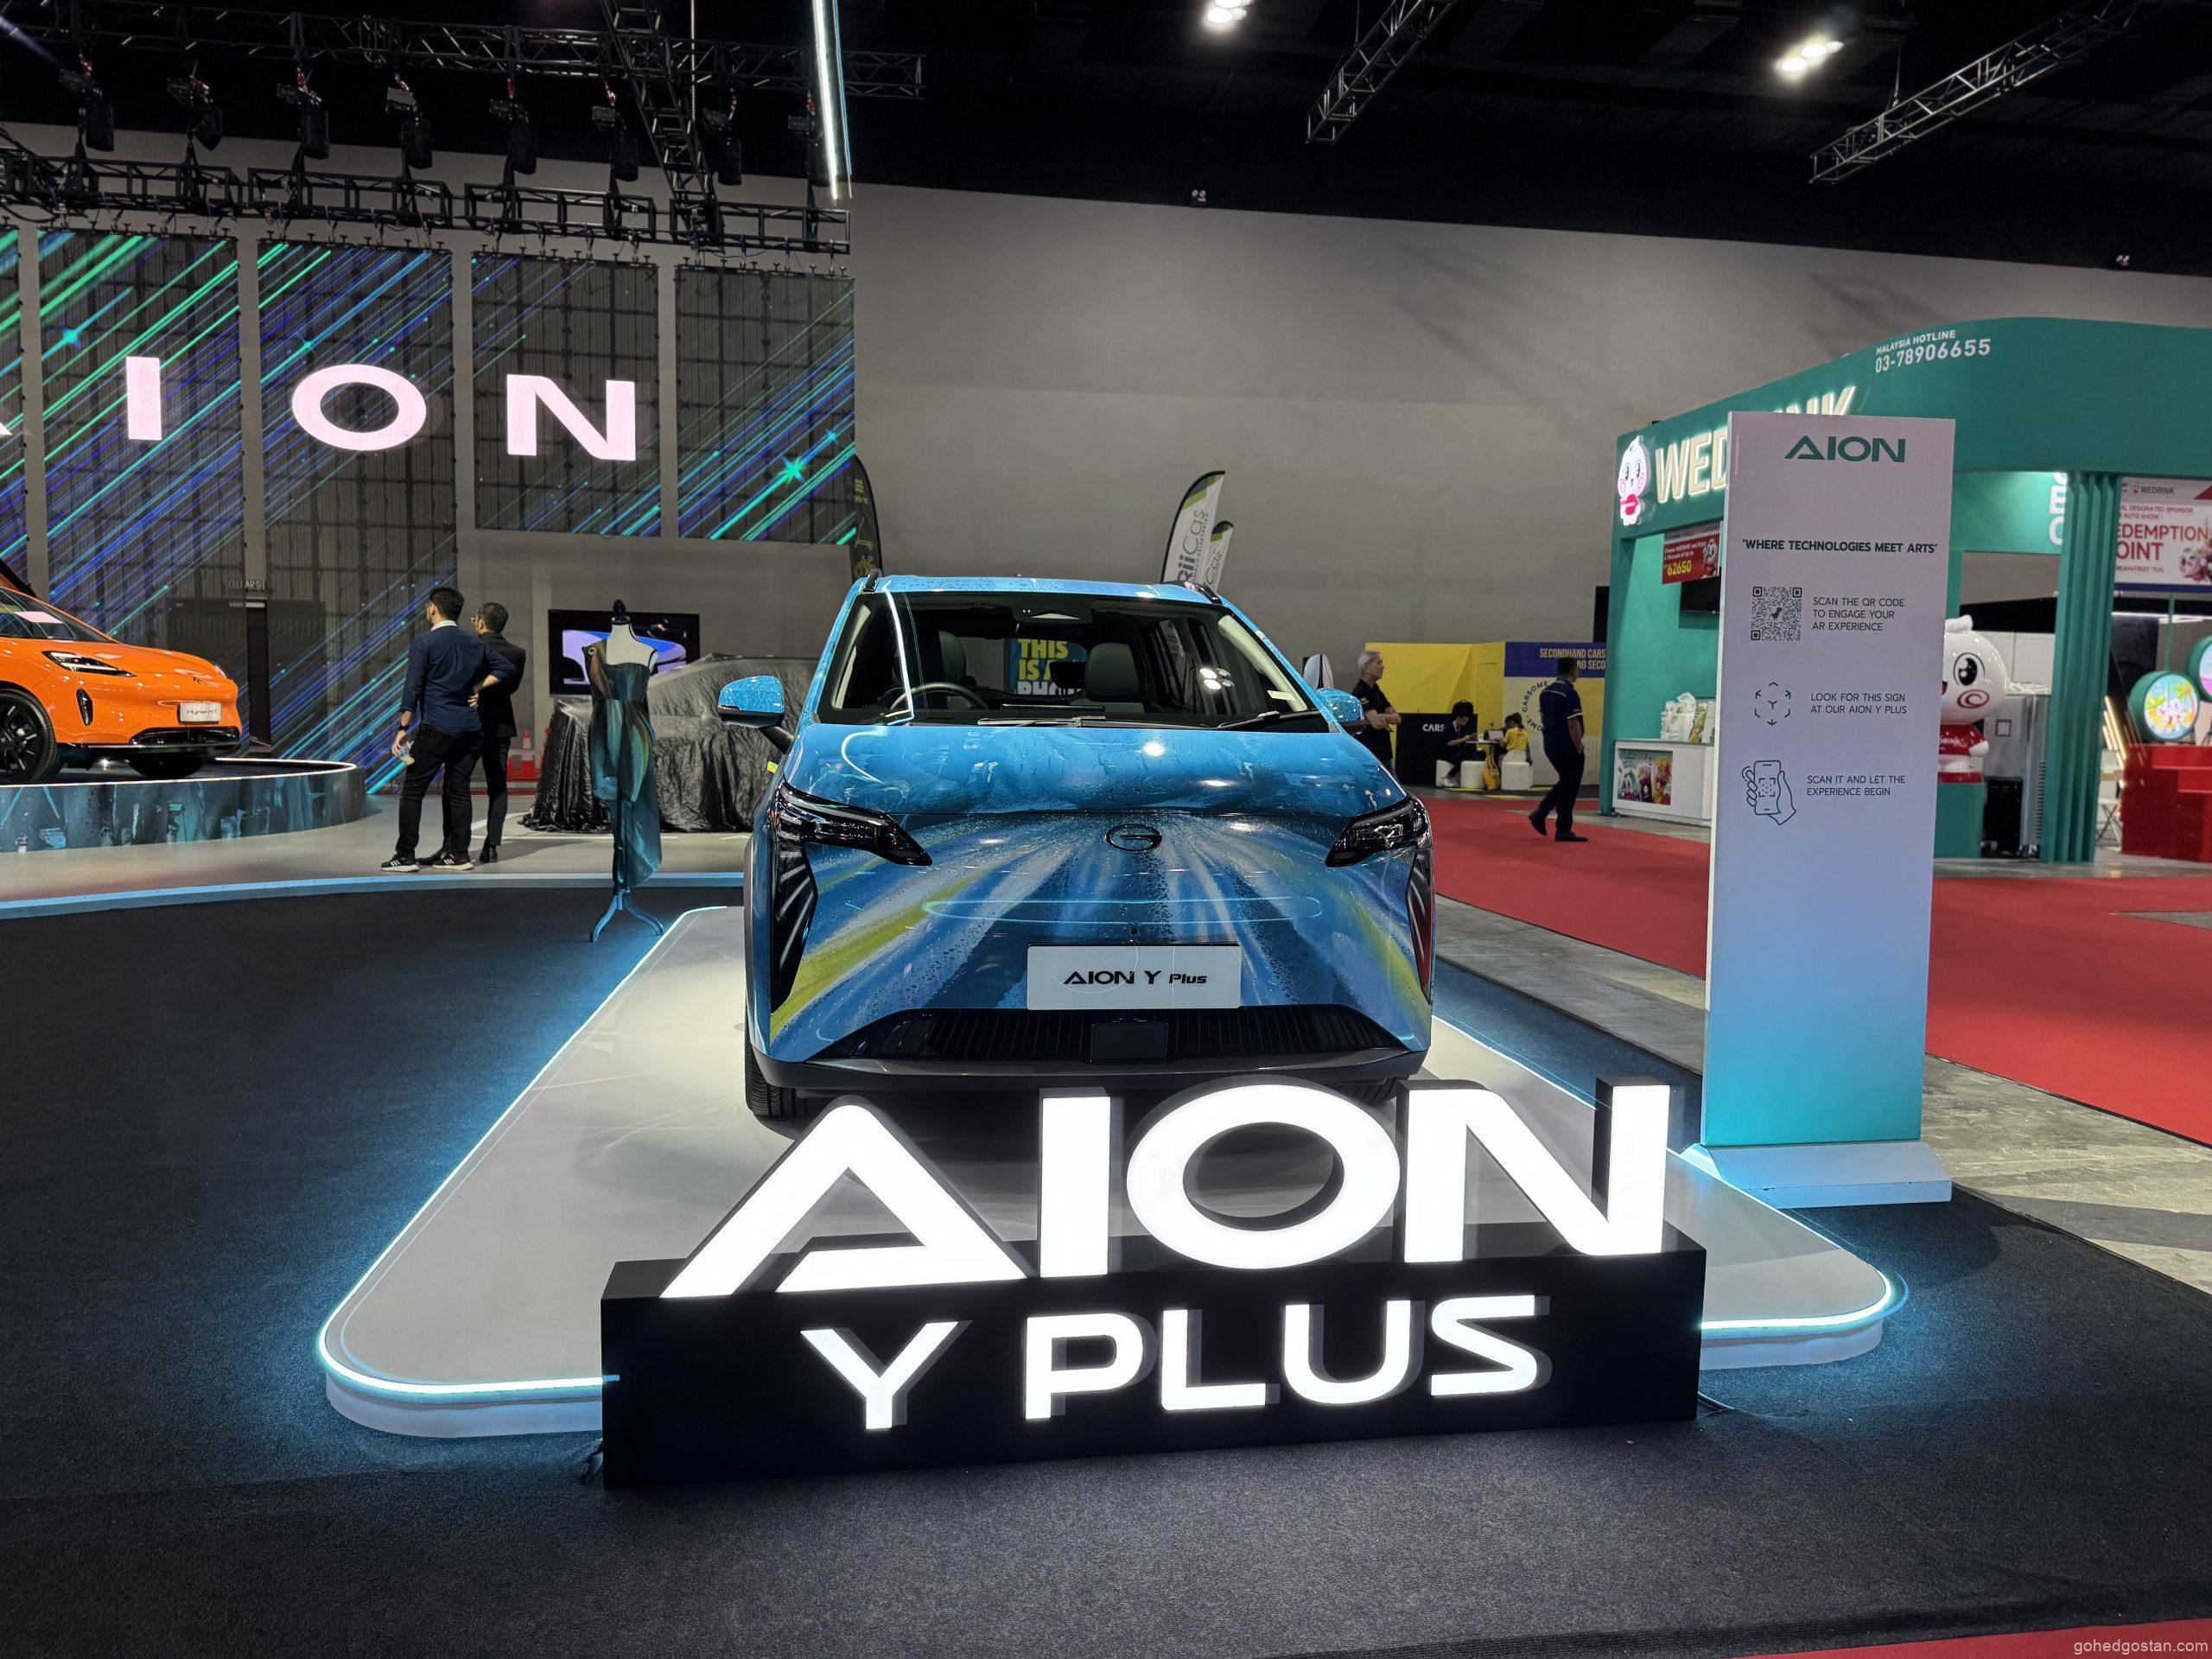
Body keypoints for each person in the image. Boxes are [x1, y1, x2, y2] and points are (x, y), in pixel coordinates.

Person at [382, 586, 495, 874]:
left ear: (432, 608)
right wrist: (479, 688)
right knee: (459, 792)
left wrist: (403, 727)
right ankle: (459, 856)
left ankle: (405, 856)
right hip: (470, 731)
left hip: (437, 728)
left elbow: (412, 689)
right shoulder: (474, 643)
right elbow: (506, 668)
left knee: (413, 790)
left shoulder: (425, 643)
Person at [467, 602, 527, 864]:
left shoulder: (470, 647)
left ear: (480, 622)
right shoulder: (517, 653)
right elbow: (511, 688)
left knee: (458, 785)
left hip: (468, 724)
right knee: (498, 787)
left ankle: (455, 846)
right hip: (500, 725)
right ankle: (491, 846)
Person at [1529, 656, 1589, 842]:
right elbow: (1573, 723)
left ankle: (1545, 814)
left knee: (1566, 781)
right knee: (1570, 785)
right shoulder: (1569, 694)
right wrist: (1578, 746)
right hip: (1567, 745)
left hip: (1550, 743)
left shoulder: (1546, 692)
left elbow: (1543, 719)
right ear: (1572, 671)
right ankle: (1559, 825)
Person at [1349, 648, 1398, 770]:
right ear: (1366, 667)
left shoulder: (1376, 690)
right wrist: (1382, 718)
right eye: (1378, 663)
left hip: (1384, 753)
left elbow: (1397, 718)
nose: (1382, 667)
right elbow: (1377, 723)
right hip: (1370, 755)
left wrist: (1381, 716)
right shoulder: (1360, 692)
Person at [1440, 699, 1480, 787]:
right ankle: (1446, 778)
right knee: (1461, 762)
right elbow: (1449, 743)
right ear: (1458, 718)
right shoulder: (1449, 728)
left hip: (1455, 752)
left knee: (1468, 757)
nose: (1464, 724)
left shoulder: (1458, 728)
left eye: (1466, 722)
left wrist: (1469, 737)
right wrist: (1464, 739)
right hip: (1447, 753)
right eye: (1463, 721)